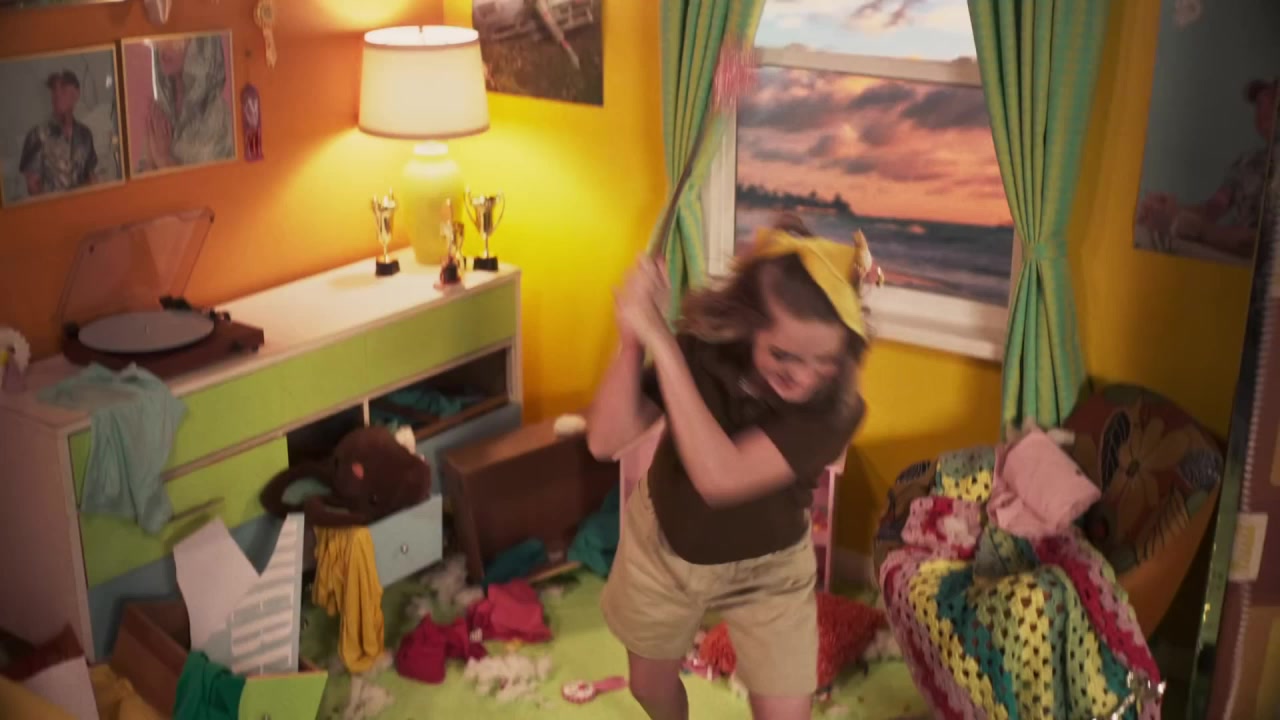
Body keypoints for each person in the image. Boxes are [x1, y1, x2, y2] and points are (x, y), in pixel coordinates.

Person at [587, 213, 870, 720]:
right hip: (665, 547)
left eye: (823, 362)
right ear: (748, 325)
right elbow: (605, 441)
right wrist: (633, 339)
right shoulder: (707, 350)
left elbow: (721, 478)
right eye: (783, 355)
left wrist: (661, 340)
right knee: (649, 688)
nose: (804, 377)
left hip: (770, 570)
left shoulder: (837, 409)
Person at [1137, 77, 1277, 260]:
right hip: (1231, 250)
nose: (1263, 109)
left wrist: (1198, 230)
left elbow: (1264, 243)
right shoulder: (1247, 162)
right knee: (1144, 234)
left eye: (1272, 101)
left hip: (1260, 262)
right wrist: (1169, 210)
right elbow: (1213, 207)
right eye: (1259, 104)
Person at [141, 35, 234, 171]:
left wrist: (163, 158)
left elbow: (207, 181)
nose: (163, 50)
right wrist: (151, 157)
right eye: (159, 44)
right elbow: (146, 174)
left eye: (176, 44)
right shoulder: (160, 109)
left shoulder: (215, 114)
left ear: (200, 48)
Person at [18, 69, 98, 198]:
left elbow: (91, 176)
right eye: (54, 90)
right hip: (50, 208)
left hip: (82, 205)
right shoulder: (37, 135)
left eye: (63, 89)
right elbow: (32, 186)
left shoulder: (85, 135)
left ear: (76, 94)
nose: (57, 95)